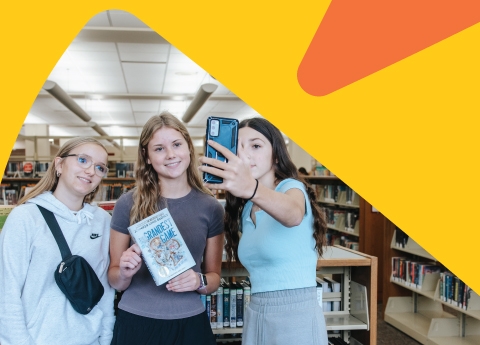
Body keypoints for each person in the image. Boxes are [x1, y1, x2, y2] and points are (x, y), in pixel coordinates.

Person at [199, 117, 328, 345]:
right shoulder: (246, 207)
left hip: (295, 314)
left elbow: (293, 214)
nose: (245, 155)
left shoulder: (291, 188)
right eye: (238, 147)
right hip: (257, 311)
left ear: (276, 155)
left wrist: (250, 187)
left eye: (256, 146)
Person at [108, 112, 224, 345]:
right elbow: (114, 278)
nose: (171, 155)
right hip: (136, 321)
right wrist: (124, 273)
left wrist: (198, 281)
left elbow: (214, 278)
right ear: (147, 156)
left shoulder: (211, 207)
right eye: (159, 149)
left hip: (190, 323)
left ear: (189, 148)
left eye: (177, 144)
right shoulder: (127, 204)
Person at [0, 137, 115, 345]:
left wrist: (105, 339)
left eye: (100, 167)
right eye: (82, 160)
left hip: (90, 340)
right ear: (59, 164)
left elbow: (105, 291)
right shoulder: (25, 218)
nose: (91, 171)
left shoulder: (103, 222)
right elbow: (6, 294)